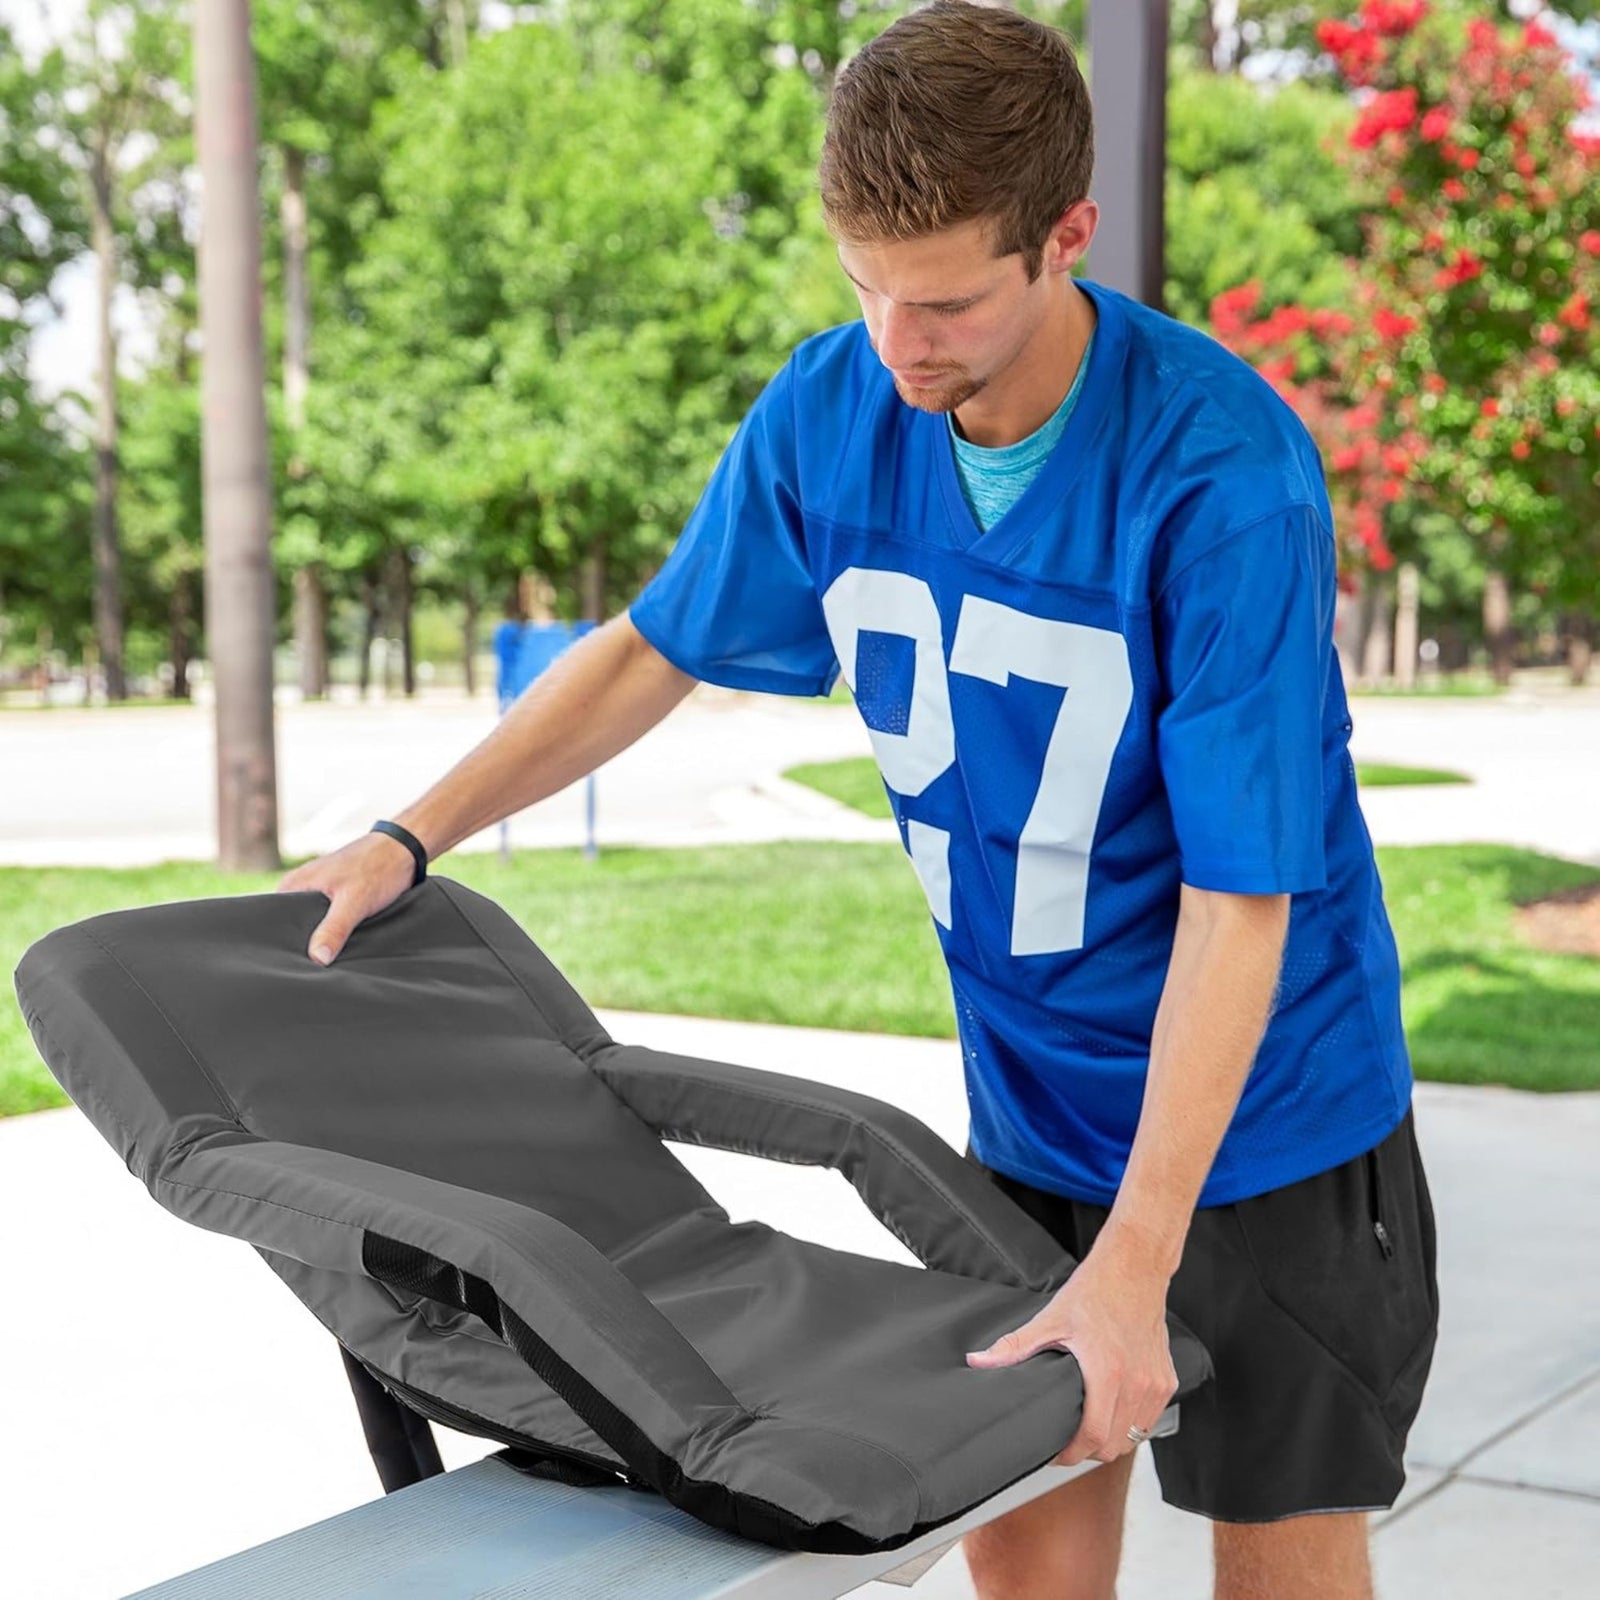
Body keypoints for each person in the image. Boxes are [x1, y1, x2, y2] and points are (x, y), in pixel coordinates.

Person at [278, 5, 1438, 1597]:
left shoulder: (1223, 475)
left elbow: (1242, 900)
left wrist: (1139, 1257)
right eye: (866, 286)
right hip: (1029, 1120)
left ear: (1068, 236)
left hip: (1268, 1126)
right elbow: (651, 650)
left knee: (1281, 1574)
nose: (900, 341)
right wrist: (409, 835)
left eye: (947, 299)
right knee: (1026, 1576)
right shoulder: (832, 411)